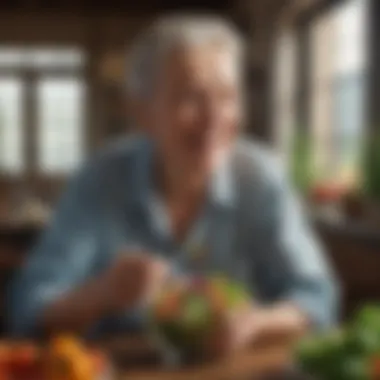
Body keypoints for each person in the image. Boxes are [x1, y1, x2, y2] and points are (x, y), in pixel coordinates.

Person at [7, 14, 339, 357]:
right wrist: (103, 293)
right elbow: (27, 309)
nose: (214, 117)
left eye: (227, 96)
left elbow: (317, 297)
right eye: (192, 97)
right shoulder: (100, 179)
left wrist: (255, 323)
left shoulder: (262, 178)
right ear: (141, 113)